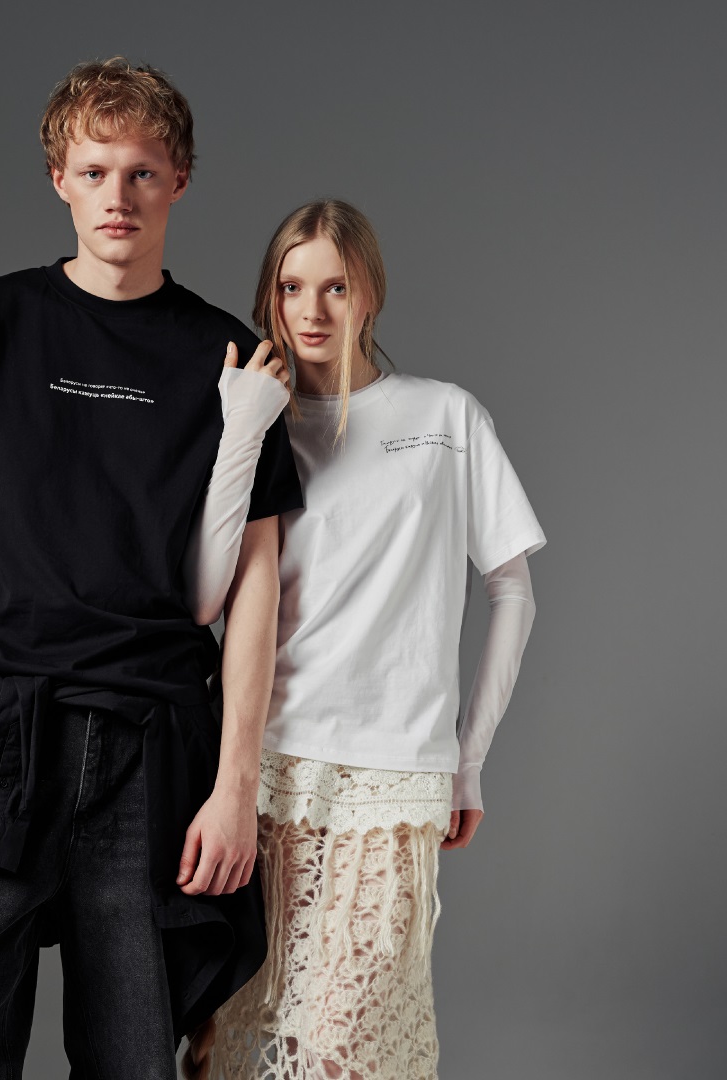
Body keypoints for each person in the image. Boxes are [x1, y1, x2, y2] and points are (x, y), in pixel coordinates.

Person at [0, 58, 301, 1080]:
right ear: (59, 179)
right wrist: (8, 579)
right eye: (94, 171)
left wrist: (235, 786)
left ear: (179, 180)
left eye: (142, 172)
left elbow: (258, 583)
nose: (117, 196)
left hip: (154, 747)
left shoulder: (228, 355)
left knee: (132, 1059)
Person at [184, 199, 546, 1080]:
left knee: (345, 1051)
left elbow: (512, 590)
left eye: (336, 287)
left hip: (392, 778)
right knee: (235, 1045)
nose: (311, 311)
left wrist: (469, 758)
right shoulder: (255, 423)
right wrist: (240, 430)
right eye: (292, 287)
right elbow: (204, 594)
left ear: (371, 292)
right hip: (258, 771)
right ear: (270, 296)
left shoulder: (445, 416)